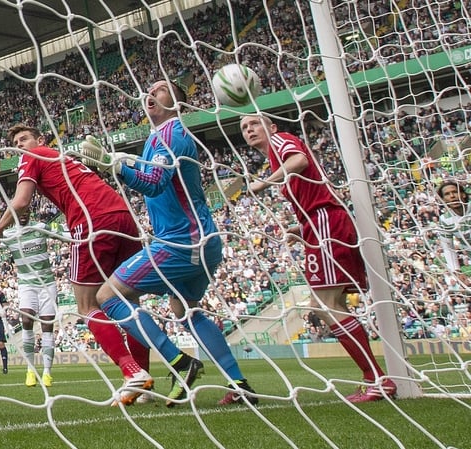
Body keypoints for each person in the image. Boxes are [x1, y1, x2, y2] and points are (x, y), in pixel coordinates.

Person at [81, 79, 255, 408]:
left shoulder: (171, 133)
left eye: (161, 89)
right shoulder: (157, 139)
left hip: (182, 241)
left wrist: (114, 165)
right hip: (200, 240)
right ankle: (239, 383)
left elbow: (154, 182)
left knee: (107, 295)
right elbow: (154, 176)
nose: (152, 92)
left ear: (177, 103)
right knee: (185, 311)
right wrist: (118, 160)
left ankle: (180, 363)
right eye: (150, 89)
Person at [0, 124, 151, 406]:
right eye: (15, 142)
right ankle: (144, 388)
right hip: (122, 215)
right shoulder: (66, 159)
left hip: (92, 219)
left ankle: (131, 372)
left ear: (40, 140)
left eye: (24, 139)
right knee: (130, 303)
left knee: (87, 305)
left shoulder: (34, 155)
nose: (19, 145)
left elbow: (22, 201)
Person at [241, 113, 397, 402]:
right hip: (318, 223)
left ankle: (377, 378)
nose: (248, 130)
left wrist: (264, 183)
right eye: (244, 128)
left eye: (254, 124)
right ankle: (374, 377)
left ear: (272, 127)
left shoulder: (281, 140)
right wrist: (301, 227)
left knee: (327, 303)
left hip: (325, 222)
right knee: (324, 304)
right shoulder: (275, 156)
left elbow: (299, 161)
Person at [0, 208, 58, 387]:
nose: (23, 214)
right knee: (27, 319)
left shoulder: (40, 227)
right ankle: (30, 370)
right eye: (19, 212)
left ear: (30, 211)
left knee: (47, 326)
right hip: (27, 284)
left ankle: (47, 373)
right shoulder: (8, 234)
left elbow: (63, 234)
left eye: (26, 211)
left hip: (47, 284)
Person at [436, 180, 471, 285]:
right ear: (443, 200)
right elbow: (448, 248)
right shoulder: (445, 220)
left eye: (455, 192)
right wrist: (456, 270)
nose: (452, 196)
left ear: (463, 194)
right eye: (447, 194)